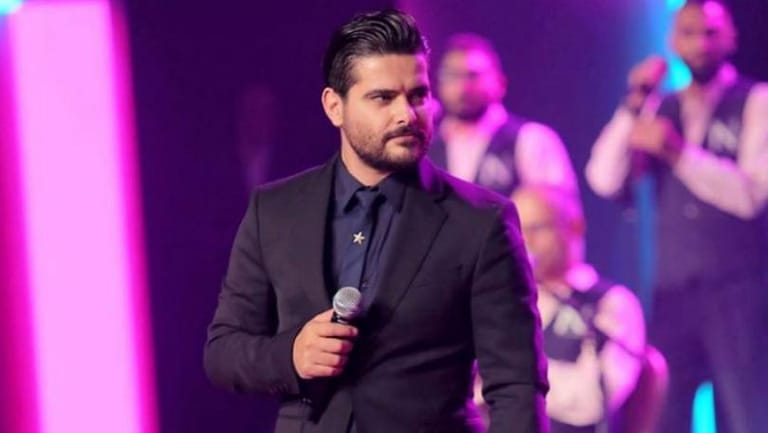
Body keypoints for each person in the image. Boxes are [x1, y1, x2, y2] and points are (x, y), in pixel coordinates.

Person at [204, 10, 548, 433]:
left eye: (418, 95)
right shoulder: (275, 210)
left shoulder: (481, 221)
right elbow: (223, 351)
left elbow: (517, 385)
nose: (407, 114)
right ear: (335, 107)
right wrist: (291, 355)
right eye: (383, 98)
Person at [585, 1, 768, 432]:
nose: (700, 43)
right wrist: (633, 102)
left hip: (739, 289)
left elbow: (751, 197)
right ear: (672, 41)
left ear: (731, 37)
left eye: (711, 32)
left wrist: (679, 153)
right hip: (673, 291)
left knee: (745, 413)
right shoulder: (659, 106)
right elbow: (602, 178)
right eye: (689, 33)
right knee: (664, 414)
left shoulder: (756, 101)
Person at [476, 185, 646, 433]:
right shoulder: (502, 300)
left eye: (535, 229)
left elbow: (591, 401)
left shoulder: (610, 304)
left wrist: (511, 376)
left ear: (575, 227)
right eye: (515, 230)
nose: (523, 241)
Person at [429, 33, 577, 197]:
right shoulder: (428, 146)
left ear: (500, 83)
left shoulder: (530, 139)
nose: (462, 87)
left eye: (473, 76)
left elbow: (555, 208)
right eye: (451, 76)